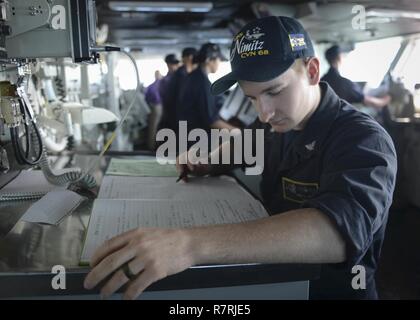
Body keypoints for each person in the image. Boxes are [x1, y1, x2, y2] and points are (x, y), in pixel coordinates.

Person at [84, 16, 397, 300]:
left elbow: (334, 233)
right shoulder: (280, 123)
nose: (263, 112)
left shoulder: (363, 140)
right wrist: (207, 160)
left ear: (312, 71)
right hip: (276, 284)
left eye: (273, 92)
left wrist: (189, 245)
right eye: (252, 98)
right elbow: (246, 141)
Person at [175, 42, 236, 142]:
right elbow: (212, 121)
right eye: (218, 60)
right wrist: (239, 132)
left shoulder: (193, 77)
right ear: (209, 60)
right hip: (196, 138)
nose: (219, 63)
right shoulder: (202, 83)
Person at [321, 45, 391, 109]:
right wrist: (385, 100)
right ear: (339, 57)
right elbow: (367, 101)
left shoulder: (322, 81)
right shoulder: (345, 83)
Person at [159, 47, 198, 132]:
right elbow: (180, 101)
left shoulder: (180, 74)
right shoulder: (181, 75)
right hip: (177, 119)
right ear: (190, 58)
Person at [145, 70, 163, 150]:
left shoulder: (151, 86)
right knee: (156, 127)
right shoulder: (161, 84)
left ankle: (152, 146)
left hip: (154, 107)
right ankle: (154, 147)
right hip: (158, 107)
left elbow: (146, 98)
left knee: (153, 127)